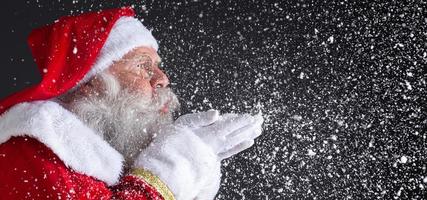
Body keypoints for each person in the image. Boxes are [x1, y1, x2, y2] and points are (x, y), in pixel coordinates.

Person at [0, 7, 263, 200]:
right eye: (142, 66)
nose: (162, 79)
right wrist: (173, 163)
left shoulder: (110, 157)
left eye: (158, 67)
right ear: (91, 82)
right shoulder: (32, 147)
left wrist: (195, 171)